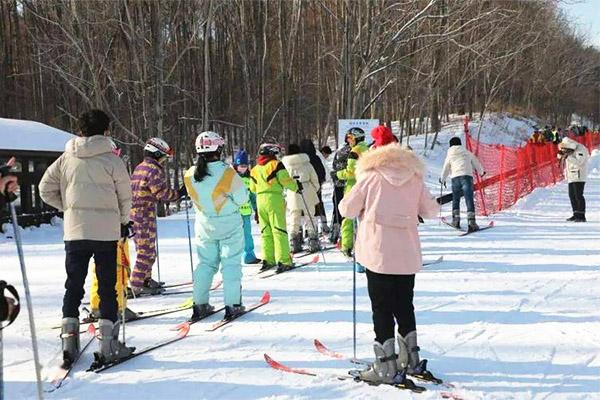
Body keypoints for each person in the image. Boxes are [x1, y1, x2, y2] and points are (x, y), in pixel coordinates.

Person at [339, 140, 439, 385]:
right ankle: (411, 359)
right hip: (406, 254)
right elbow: (431, 211)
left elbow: (347, 210)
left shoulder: (370, 177)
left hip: (378, 253)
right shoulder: (414, 178)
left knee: (381, 308)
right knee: (405, 305)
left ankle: (385, 366)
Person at [39, 109, 134, 367]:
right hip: (105, 232)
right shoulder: (113, 160)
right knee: (107, 287)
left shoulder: (66, 158)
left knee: (74, 284)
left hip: (75, 232)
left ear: (80, 131)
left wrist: (68, 208)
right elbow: (125, 196)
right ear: (106, 131)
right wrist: (123, 221)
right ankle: (109, 343)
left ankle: (69, 340)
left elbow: (44, 189)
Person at [184, 131, 248, 320]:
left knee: (205, 264)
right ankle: (232, 304)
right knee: (230, 264)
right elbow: (242, 198)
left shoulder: (190, 174)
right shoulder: (226, 172)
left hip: (204, 224)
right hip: (229, 223)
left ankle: (200, 304)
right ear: (219, 149)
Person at [129, 137, 186, 296]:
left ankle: (146, 279)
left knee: (147, 249)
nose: (164, 161)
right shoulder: (154, 170)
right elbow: (161, 193)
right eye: (163, 157)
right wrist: (179, 193)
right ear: (157, 153)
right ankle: (136, 284)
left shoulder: (140, 167)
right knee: (145, 252)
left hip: (136, 214)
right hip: (144, 215)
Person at [250, 143, 299, 273]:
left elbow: (252, 188)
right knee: (279, 230)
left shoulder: (254, 169)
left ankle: (268, 259)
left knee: (265, 231)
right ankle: (283, 261)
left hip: (260, 200)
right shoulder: (276, 164)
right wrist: (296, 187)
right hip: (274, 199)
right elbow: (285, 180)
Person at [335, 128, 369, 258]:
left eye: (350, 138)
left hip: (353, 187)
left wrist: (337, 174)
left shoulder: (355, 152)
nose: (348, 141)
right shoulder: (367, 149)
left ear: (356, 138)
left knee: (347, 217)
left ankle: (347, 245)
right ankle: (365, 245)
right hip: (366, 186)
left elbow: (351, 172)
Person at [282, 143, 321, 254]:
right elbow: (314, 178)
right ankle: (313, 241)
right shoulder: (306, 163)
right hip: (307, 190)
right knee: (310, 216)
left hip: (292, 192)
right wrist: (314, 189)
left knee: (294, 218)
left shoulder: (285, 165)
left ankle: (294, 243)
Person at [440, 136, 485, 232]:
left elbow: (446, 168)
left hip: (455, 179)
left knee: (455, 199)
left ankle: (456, 220)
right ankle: (471, 222)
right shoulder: (467, 153)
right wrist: (481, 172)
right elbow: (476, 162)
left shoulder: (450, 155)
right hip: (467, 177)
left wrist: (442, 179)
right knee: (469, 199)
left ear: (450, 145)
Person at [233, 149, 261, 265]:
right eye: (241, 166)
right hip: (233, 213)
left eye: (245, 166)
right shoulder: (231, 177)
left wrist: (256, 210)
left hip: (246, 213)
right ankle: (231, 259)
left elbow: (253, 196)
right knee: (233, 237)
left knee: (247, 235)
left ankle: (249, 256)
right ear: (236, 165)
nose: (243, 168)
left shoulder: (250, 178)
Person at [299, 139, 329, 235]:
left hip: (302, 188)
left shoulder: (299, 159)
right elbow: (322, 172)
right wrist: (320, 182)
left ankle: (303, 231)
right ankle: (322, 226)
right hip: (316, 187)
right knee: (318, 207)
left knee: (303, 209)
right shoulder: (316, 158)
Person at [558, 137, 589, 222]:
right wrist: (562, 155)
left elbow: (580, 162)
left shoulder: (580, 149)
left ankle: (581, 216)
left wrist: (567, 157)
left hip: (579, 176)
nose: (565, 151)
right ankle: (576, 214)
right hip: (571, 176)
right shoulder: (570, 150)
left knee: (578, 196)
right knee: (572, 196)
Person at [329, 137, 351, 244]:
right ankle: (347, 235)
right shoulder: (353, 151)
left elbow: (334, 165)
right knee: (347, 210)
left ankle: (335, 232)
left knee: (337, 209)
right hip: (349, 184)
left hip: (338, 184)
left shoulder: (339, 151)